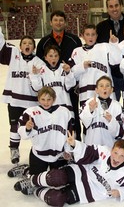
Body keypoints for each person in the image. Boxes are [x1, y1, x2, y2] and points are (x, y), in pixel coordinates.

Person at [18, 136, 124, 207]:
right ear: (111, 150)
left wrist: (121, 192)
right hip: (82, 172)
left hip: (89, 191)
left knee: (56, 199)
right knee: (56, 177)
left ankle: (35, 190)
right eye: (115, 153)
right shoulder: (104, 151)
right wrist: (75, 144)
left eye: (122, 156)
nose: (117, 158)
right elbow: (87, 151)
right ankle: (31, 180)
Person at [14, 86, 74, 191]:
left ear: (54, 99)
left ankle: (28, 170)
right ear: (38, 99)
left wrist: (68, 150)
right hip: (39, 155)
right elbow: (22, 133)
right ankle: (26, 171)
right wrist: (27, 128)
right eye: (43, 99)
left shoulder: (64, 112)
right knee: (37, 183)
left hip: (58, 155)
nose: (46, 102)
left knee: (59, 182)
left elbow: (69, 134)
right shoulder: (30, 113)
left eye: (49, 99)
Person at [0, 27, 45, 164]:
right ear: (20, 46)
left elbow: (39, 88)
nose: (27, 45)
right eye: (24, 43)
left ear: (34, 47)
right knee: (14, 127)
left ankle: (38, 152)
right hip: (14, 101)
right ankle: (14, 149)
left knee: (34, 128)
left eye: (30, 43)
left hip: (32, 103)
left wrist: (35, 75)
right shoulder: (14, 54)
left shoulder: (39, 63)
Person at [36, 10, 82, 140]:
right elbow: (40, 65)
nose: (58, 22)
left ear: (65, 22)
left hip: (71, 86)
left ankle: (75, 143)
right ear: (50, 22)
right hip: (51, 89)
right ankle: (54, 144)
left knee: (73, 115)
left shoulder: (74, 40)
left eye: (61, 20)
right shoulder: (44, 42)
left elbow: (79, 61)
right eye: (55, 20)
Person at [70, 24, 122, 106]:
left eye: (93, 34)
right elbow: (72, 75)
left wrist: (114, 44)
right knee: (89, 116)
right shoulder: (77, 52)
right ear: (82, 36)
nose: (90, 37)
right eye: (87, 34)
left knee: (109, 117)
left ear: (97, 35)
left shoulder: (104, 47)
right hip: (86, 94)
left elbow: (117, 60)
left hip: (106, 92)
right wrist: (82, 66)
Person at [96, 0, 124, 101]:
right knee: (112, 107)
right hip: (110, 75)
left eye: (116, 5)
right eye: (111, 6)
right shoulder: (101, 27)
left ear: (122, 6)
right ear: (107, 9)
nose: (114, 9)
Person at [30, 44, 76, 116]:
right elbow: (37, 88)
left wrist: (68, 72)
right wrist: (35, 75)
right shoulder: (41, 70)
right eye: (50, 56)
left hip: (65, 107)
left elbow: (71, 84)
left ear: (59, 57)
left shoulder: (64, 67)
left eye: (56, 56)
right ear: (45, 57)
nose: (53, 58)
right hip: (48, 108)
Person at [79, 76, 123, 148]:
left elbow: (118, 133)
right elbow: (84, 122)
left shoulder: (117, 106)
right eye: (101, 86)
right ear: (96, 90)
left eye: (107, 86)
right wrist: (91, 110)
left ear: (111, 90)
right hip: (92, 147)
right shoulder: (89, 102)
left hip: (109, 147)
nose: (104, 88)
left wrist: (111, 120)